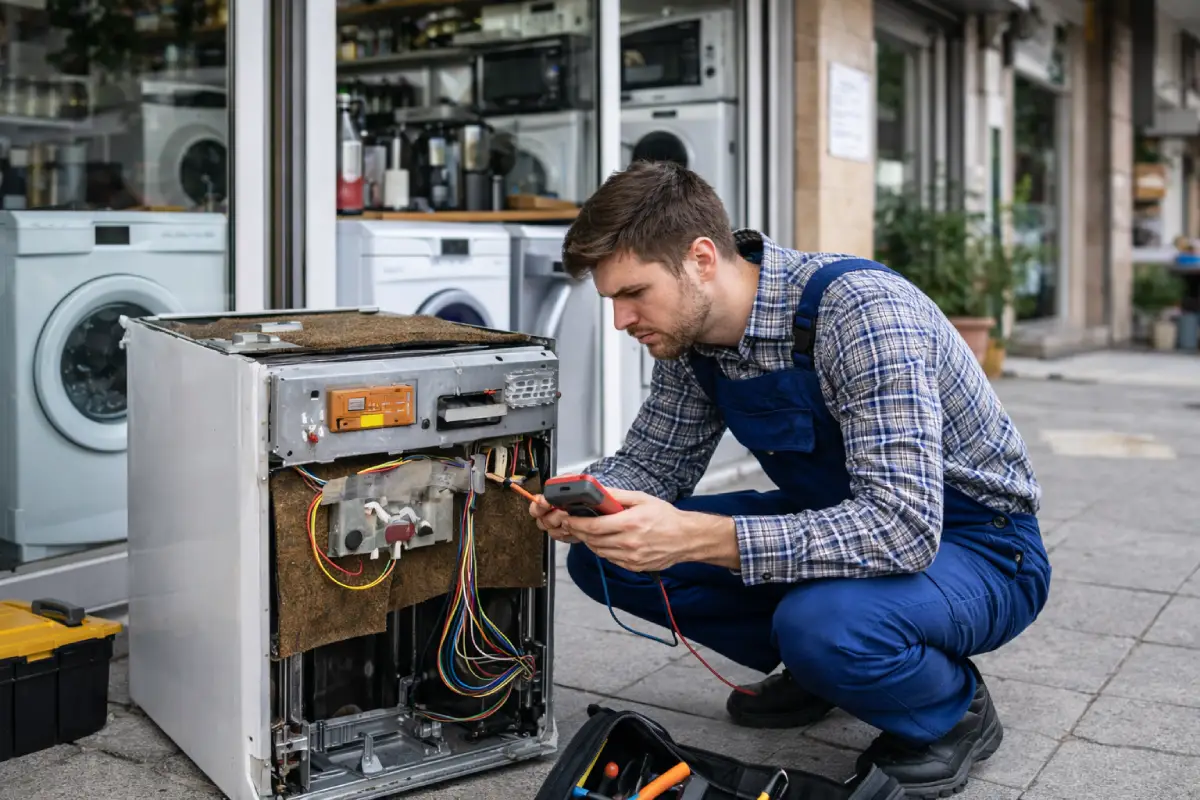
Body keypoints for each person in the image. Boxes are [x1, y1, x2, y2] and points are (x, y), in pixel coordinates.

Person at [528, 160, 1051, 798]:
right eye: (612, 300)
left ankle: (950, 710)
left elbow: (903, 528)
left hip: (979, 544)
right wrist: (593, 500)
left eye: (634, 293)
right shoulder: (693, 339)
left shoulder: (861, 314)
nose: (621, 320)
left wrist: (695, 537)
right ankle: (827, 668)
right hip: (840, 522)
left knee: (823, 627)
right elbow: (654, 464)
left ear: (699, 258)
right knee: (609, 558)